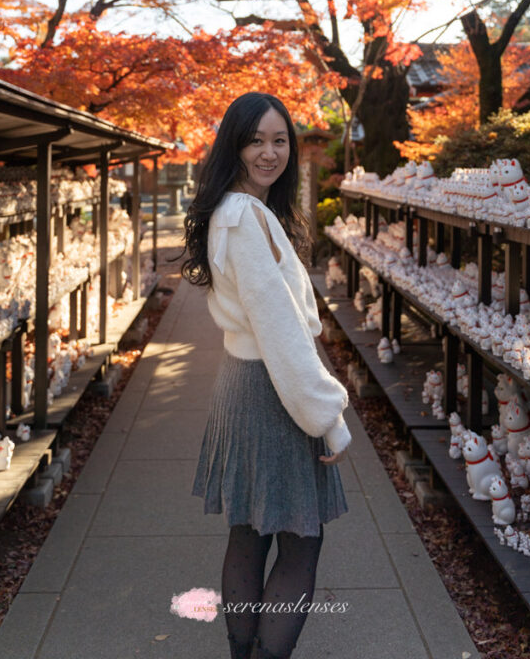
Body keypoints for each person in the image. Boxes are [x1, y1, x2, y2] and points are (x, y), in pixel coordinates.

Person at [182, 92, 352, 659]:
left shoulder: (233, 212)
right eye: (256, 139)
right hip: (270, 387)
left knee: (249, 532)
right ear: (234, 143)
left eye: (280, 140)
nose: (269, 152)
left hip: (245, 379)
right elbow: (279, 330)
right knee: (301, 541)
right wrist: (326, 415)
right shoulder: (246, 217)